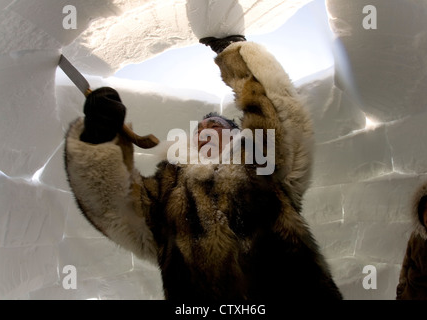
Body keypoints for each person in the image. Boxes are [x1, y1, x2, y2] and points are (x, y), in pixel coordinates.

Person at [64, 35, 342, 300]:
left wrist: (237, 54)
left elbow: (284, 115)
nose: (206, 129)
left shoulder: (266, 163)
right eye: (201, 127)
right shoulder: (166, 186)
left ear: (236, 134)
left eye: (217, 125)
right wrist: (98, 139)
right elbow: (114, 208)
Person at [396, 180, 427, 300]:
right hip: (409, 295)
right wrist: (401, 290)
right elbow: (406, 265)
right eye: (424, 209)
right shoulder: (416, 238)